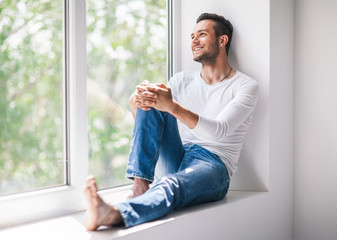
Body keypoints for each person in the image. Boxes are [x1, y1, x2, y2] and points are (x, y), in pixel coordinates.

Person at [83, 12, 259, 230]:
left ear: (222, 41)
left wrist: (172, 106)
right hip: (176, 154)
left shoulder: (245, 86)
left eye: (202, 34)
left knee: (171, 185)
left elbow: (219, 131)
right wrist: (136, 103)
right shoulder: (181, 80)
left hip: (213, 165)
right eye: (192, 36)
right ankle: (140, 186)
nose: (194, 40)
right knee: (152, 95)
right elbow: (149, 128)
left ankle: (114, 214)